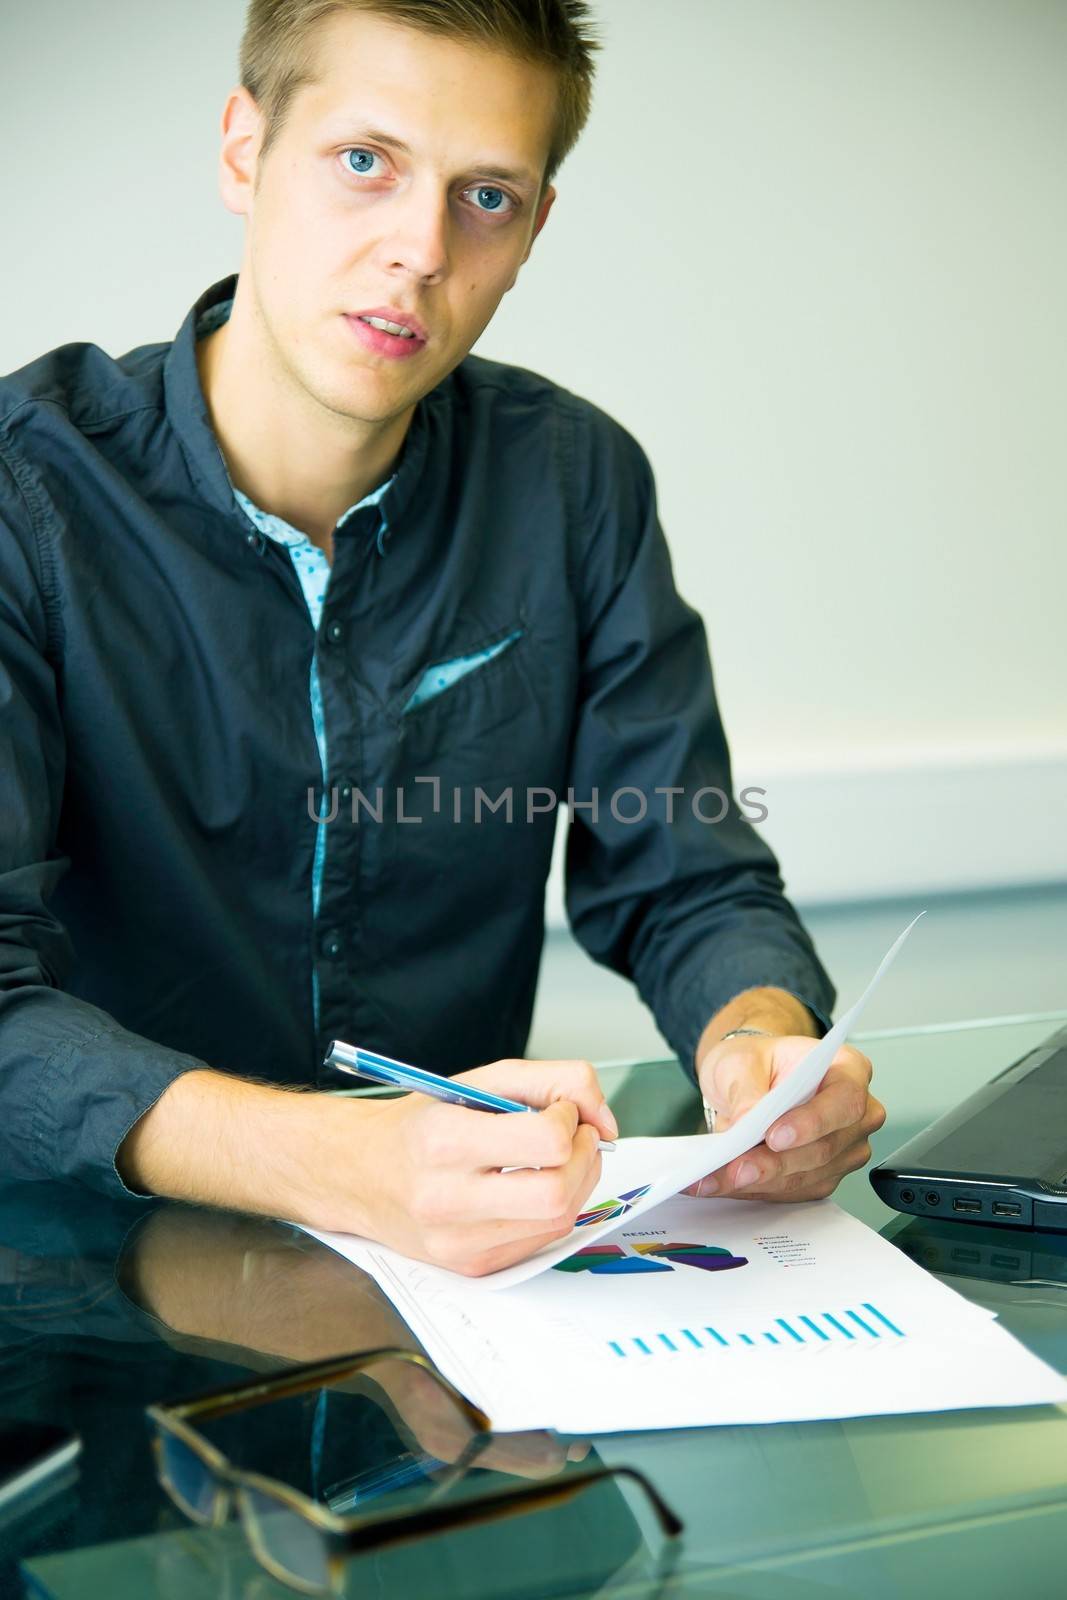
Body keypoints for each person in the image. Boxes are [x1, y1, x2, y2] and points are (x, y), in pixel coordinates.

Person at [0, 0, 884, 1275]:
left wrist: (756, 1038)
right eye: (365, 162)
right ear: (245, 152)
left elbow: (682, 871)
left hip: (461, 1307)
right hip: (83, 1294)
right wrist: (345, 1162)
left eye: (484, 198)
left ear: (532, 230)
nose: (417, 250)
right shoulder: (25, 493)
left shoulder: (572, 480)